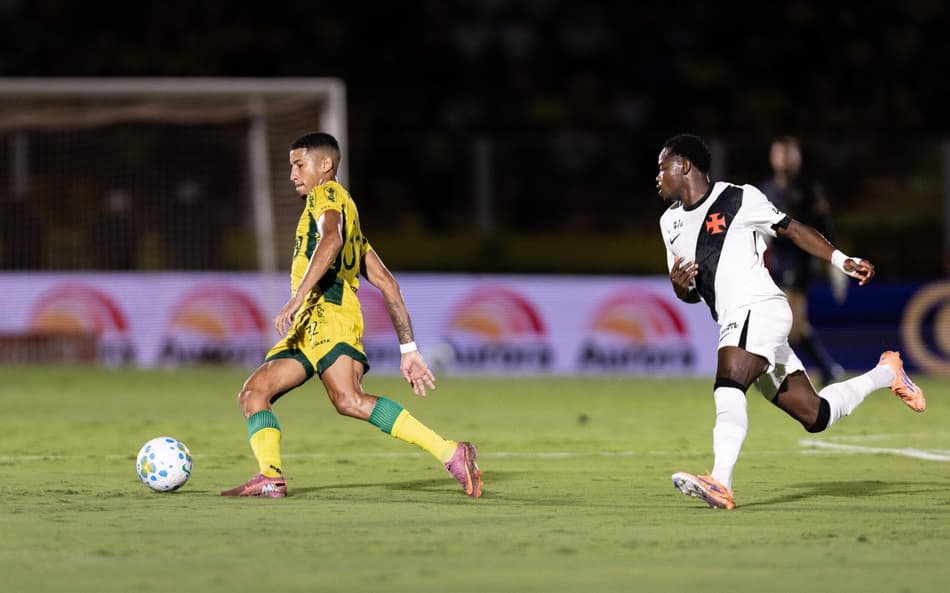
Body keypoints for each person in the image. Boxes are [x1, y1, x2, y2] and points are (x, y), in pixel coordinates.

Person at [654, 134, 924, 510]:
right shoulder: (669, 223)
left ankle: (720, 481)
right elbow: (689, 292)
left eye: (662, 167)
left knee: (729, 381)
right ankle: (887, 373)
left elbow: (793, 229)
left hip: (759, 307)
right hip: (736, 318)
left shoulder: (739, 198)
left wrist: (841, 261)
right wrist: (678, 286)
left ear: (684, 165)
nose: (657, 177)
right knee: (815, 414)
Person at [221, 132, 482, 499]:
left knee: (348, 399)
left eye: (299, 164)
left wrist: (298, 296)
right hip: (308, 325)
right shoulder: (348, 219)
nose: (293, 174)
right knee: (254, 393)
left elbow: (332, 241)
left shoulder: (325, 195)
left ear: (325, 165)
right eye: (291, 166)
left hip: (330, 313)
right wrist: (408, 350)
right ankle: (270, 476)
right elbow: (388, 283)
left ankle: (450, 452)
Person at [760, 136, 844, 386]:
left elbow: (825, 225)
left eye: (787, 154)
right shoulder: (766, 189)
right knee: (792, 324)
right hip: (775, 262)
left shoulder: (808, 188)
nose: (783, 159)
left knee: (791, 321)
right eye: (779, 153)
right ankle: (826, 369)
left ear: (797, 158)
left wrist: (836, 262)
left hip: (800, 260)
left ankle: (778, 371)